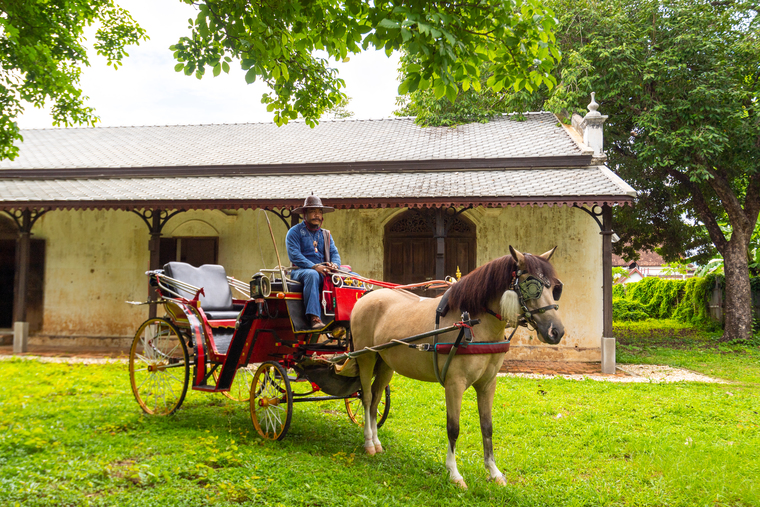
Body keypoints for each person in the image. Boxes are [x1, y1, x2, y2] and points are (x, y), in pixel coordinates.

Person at [286, 195, 341, 329]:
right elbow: (295, 256)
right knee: (312, 275)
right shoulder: (294, 232)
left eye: (319, 212)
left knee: (350, 276)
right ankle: (314, 318)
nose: (317, 215)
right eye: (313, 211)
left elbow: (334, 253)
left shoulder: (325, 234)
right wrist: (314, 266)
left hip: (323, 270)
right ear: (305, 214)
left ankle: (346, 315)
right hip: (301, 271)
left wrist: (335, 264)